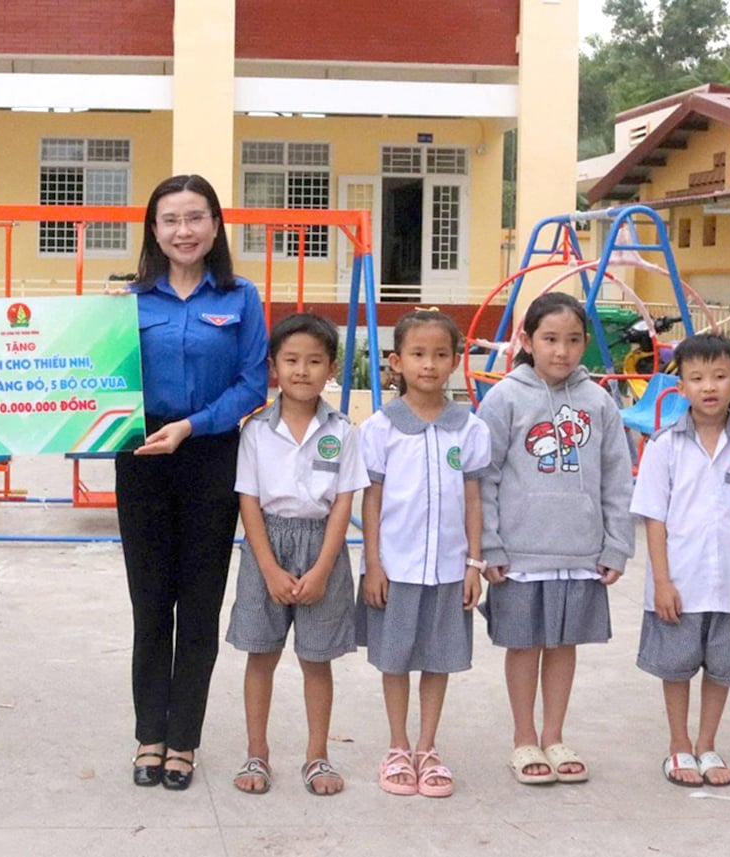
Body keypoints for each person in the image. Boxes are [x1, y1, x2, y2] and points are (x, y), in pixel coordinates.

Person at [120, 174, 268, 791]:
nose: (183, 231)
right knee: (151, 603)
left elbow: (253, 382)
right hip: (141, 456)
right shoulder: (127, 302)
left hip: (211, 456)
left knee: (200, 603)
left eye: (195, 217)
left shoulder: (241, 297)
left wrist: (192, 425)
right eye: (170, 220)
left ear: (214, 226)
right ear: (154, 230)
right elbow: (98, 376)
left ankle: (183, 740)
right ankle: (148, 736)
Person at [477, 292, 633, 786]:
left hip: (580, 551)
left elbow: (618, 477)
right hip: (520, 554)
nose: (561, 351)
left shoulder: (599, 401)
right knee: (524, 646)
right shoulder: (504, 398)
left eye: (572, 340)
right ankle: (524, 739)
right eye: (549, 339)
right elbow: (484, 477)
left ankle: (554, 735)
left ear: (585, 344)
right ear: (527, 341)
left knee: (564, 645)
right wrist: (489, 545)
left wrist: (616, 545)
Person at [630, 333, 730, 788]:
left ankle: (707, 744)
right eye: (696, 378)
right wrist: (662, 582)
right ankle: (679, 744)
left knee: (723, 668)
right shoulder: (664, 447)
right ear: (680, 387)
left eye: (719, 376)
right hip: (680, 584)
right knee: (676, 667)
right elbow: (654, 519)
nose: (709, 387)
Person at [226, 313, 367, 797]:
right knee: (261, 654)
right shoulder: (255, 431)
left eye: (314, 361)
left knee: (316, 659)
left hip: (323, 545)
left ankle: (317, 755)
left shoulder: (343, 431)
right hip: (266, 545)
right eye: (291, 360)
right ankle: (257, 752)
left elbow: (344, 503)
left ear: (331, 368)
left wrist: (323, 568)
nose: (302, 371)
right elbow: (248, 501)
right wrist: (268, 568)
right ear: (274, 366)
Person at [357, 310, 491, 798]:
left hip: (450, 570)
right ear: (397, 361)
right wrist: (373, 564)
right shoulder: (380, 428)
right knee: (394, 660)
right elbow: (371, 500)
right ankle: (397, 746)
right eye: (417, 354)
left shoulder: (469, 428)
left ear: (455, 361)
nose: (429, 364)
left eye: (440, 355)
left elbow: (473, 499)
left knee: (439, 658)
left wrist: (474, 564)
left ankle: (428, 748)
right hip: (395, 568)